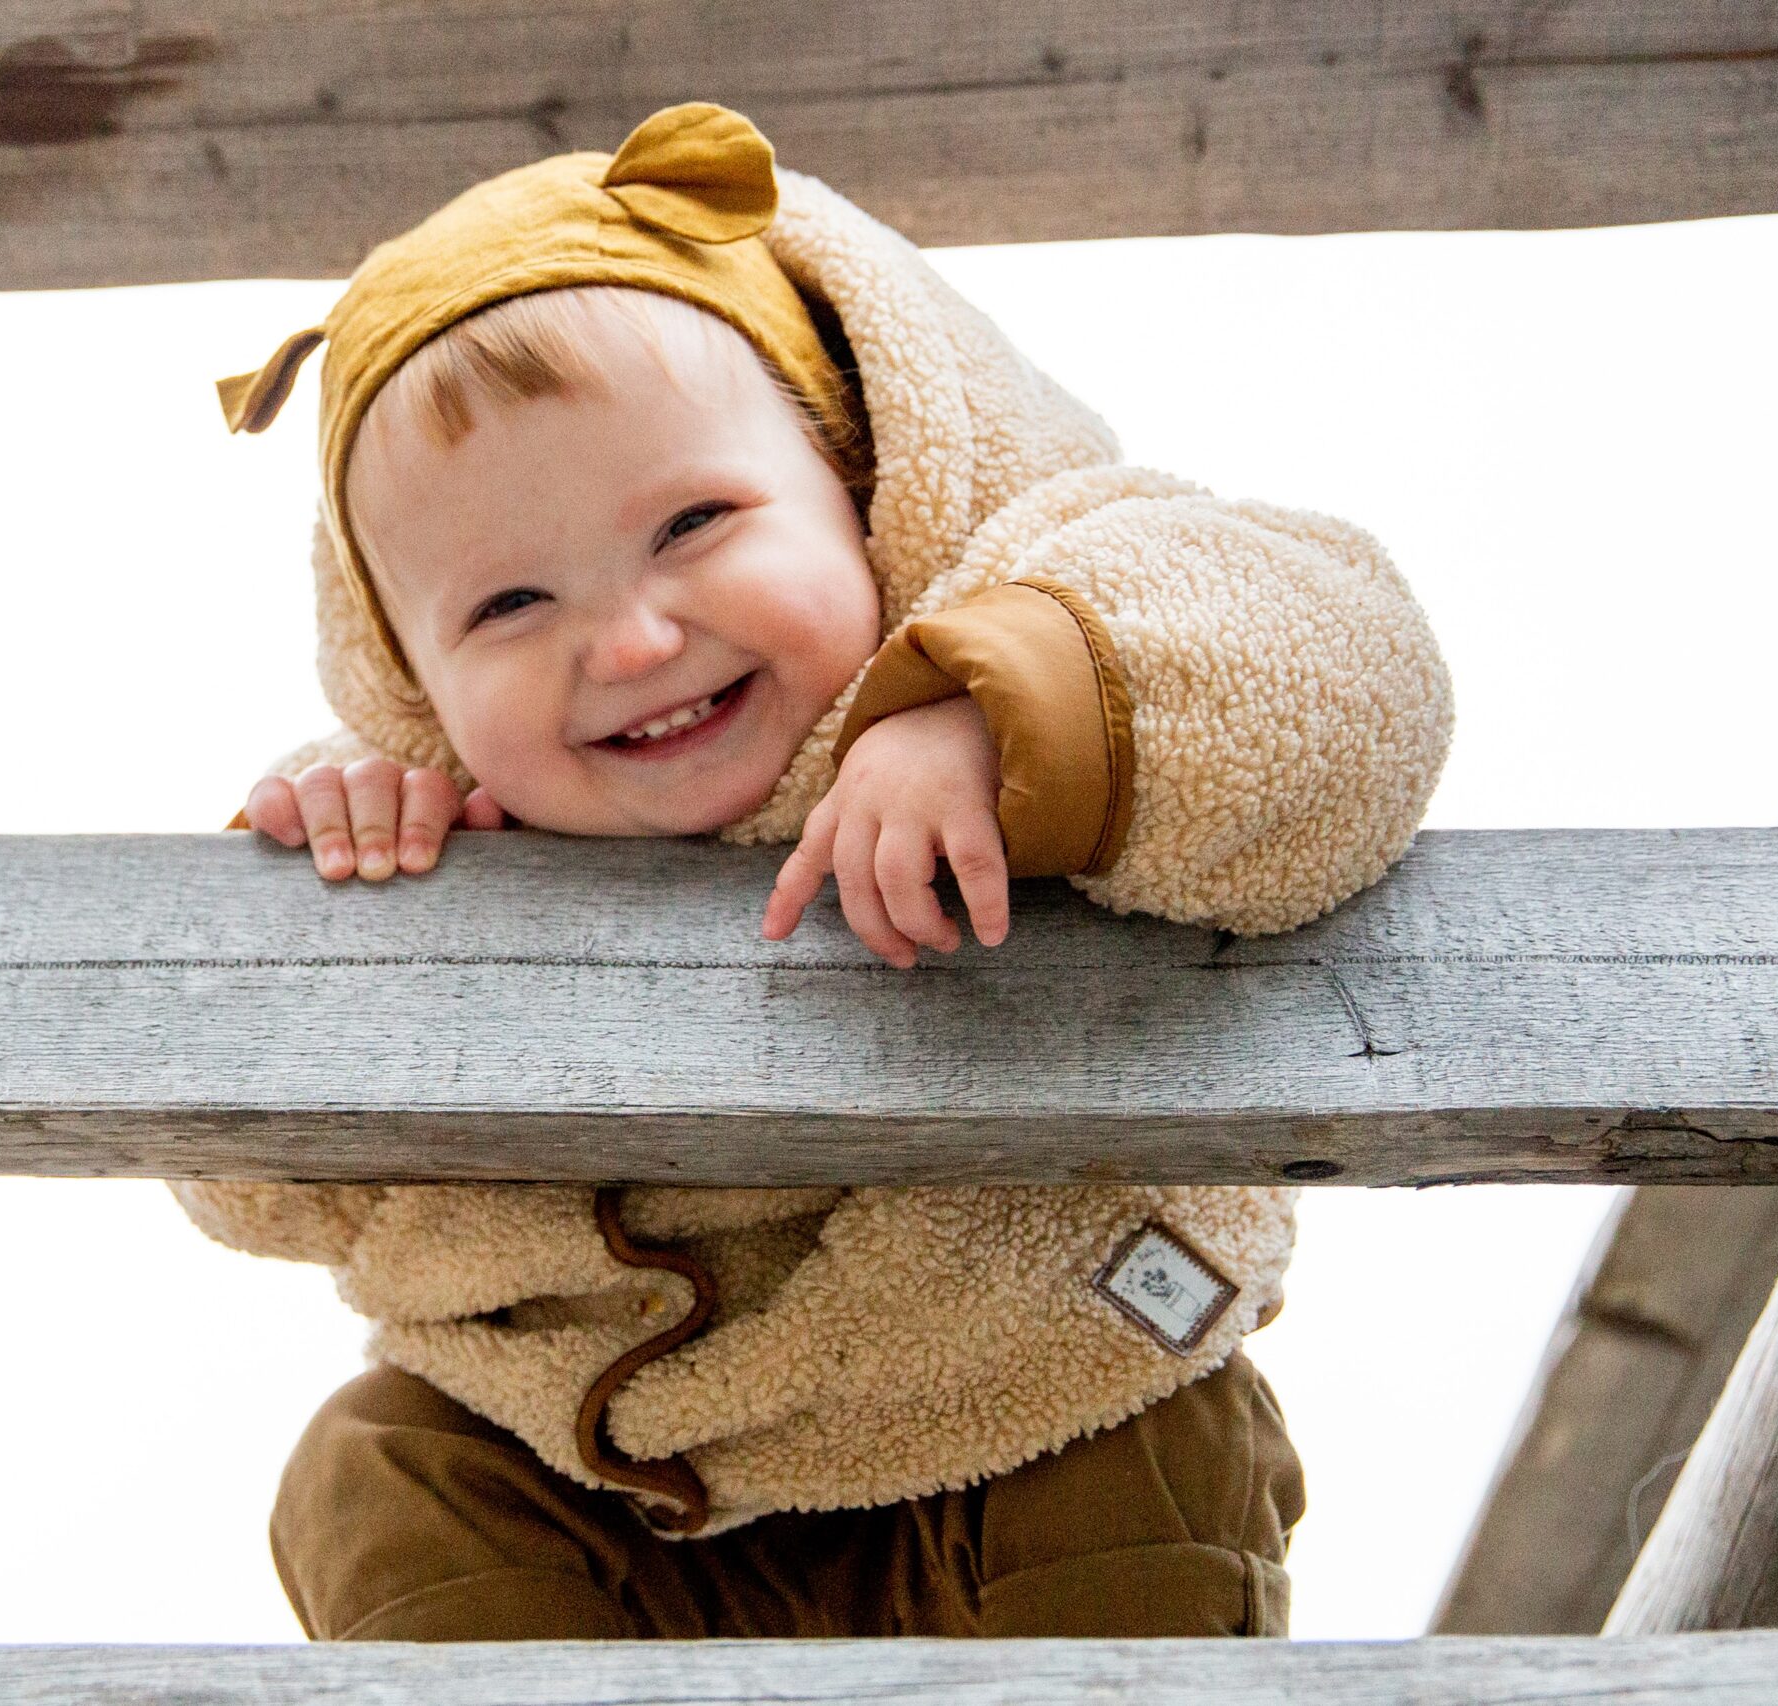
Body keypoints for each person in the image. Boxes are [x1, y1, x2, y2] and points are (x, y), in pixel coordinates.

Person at [179, 102, 1452, 1641]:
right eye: (508, 602)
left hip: (1027, 1396)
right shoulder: (444, 826)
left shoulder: (1044, 590)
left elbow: (1348, 671)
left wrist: (1000, 712)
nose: (633, 639)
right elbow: (250, 1191)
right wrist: (338, 904)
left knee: (1147, 1450)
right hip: (608, 1492)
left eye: (696, 522)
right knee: (370, 1467)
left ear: (861, 477)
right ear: (407, 674)